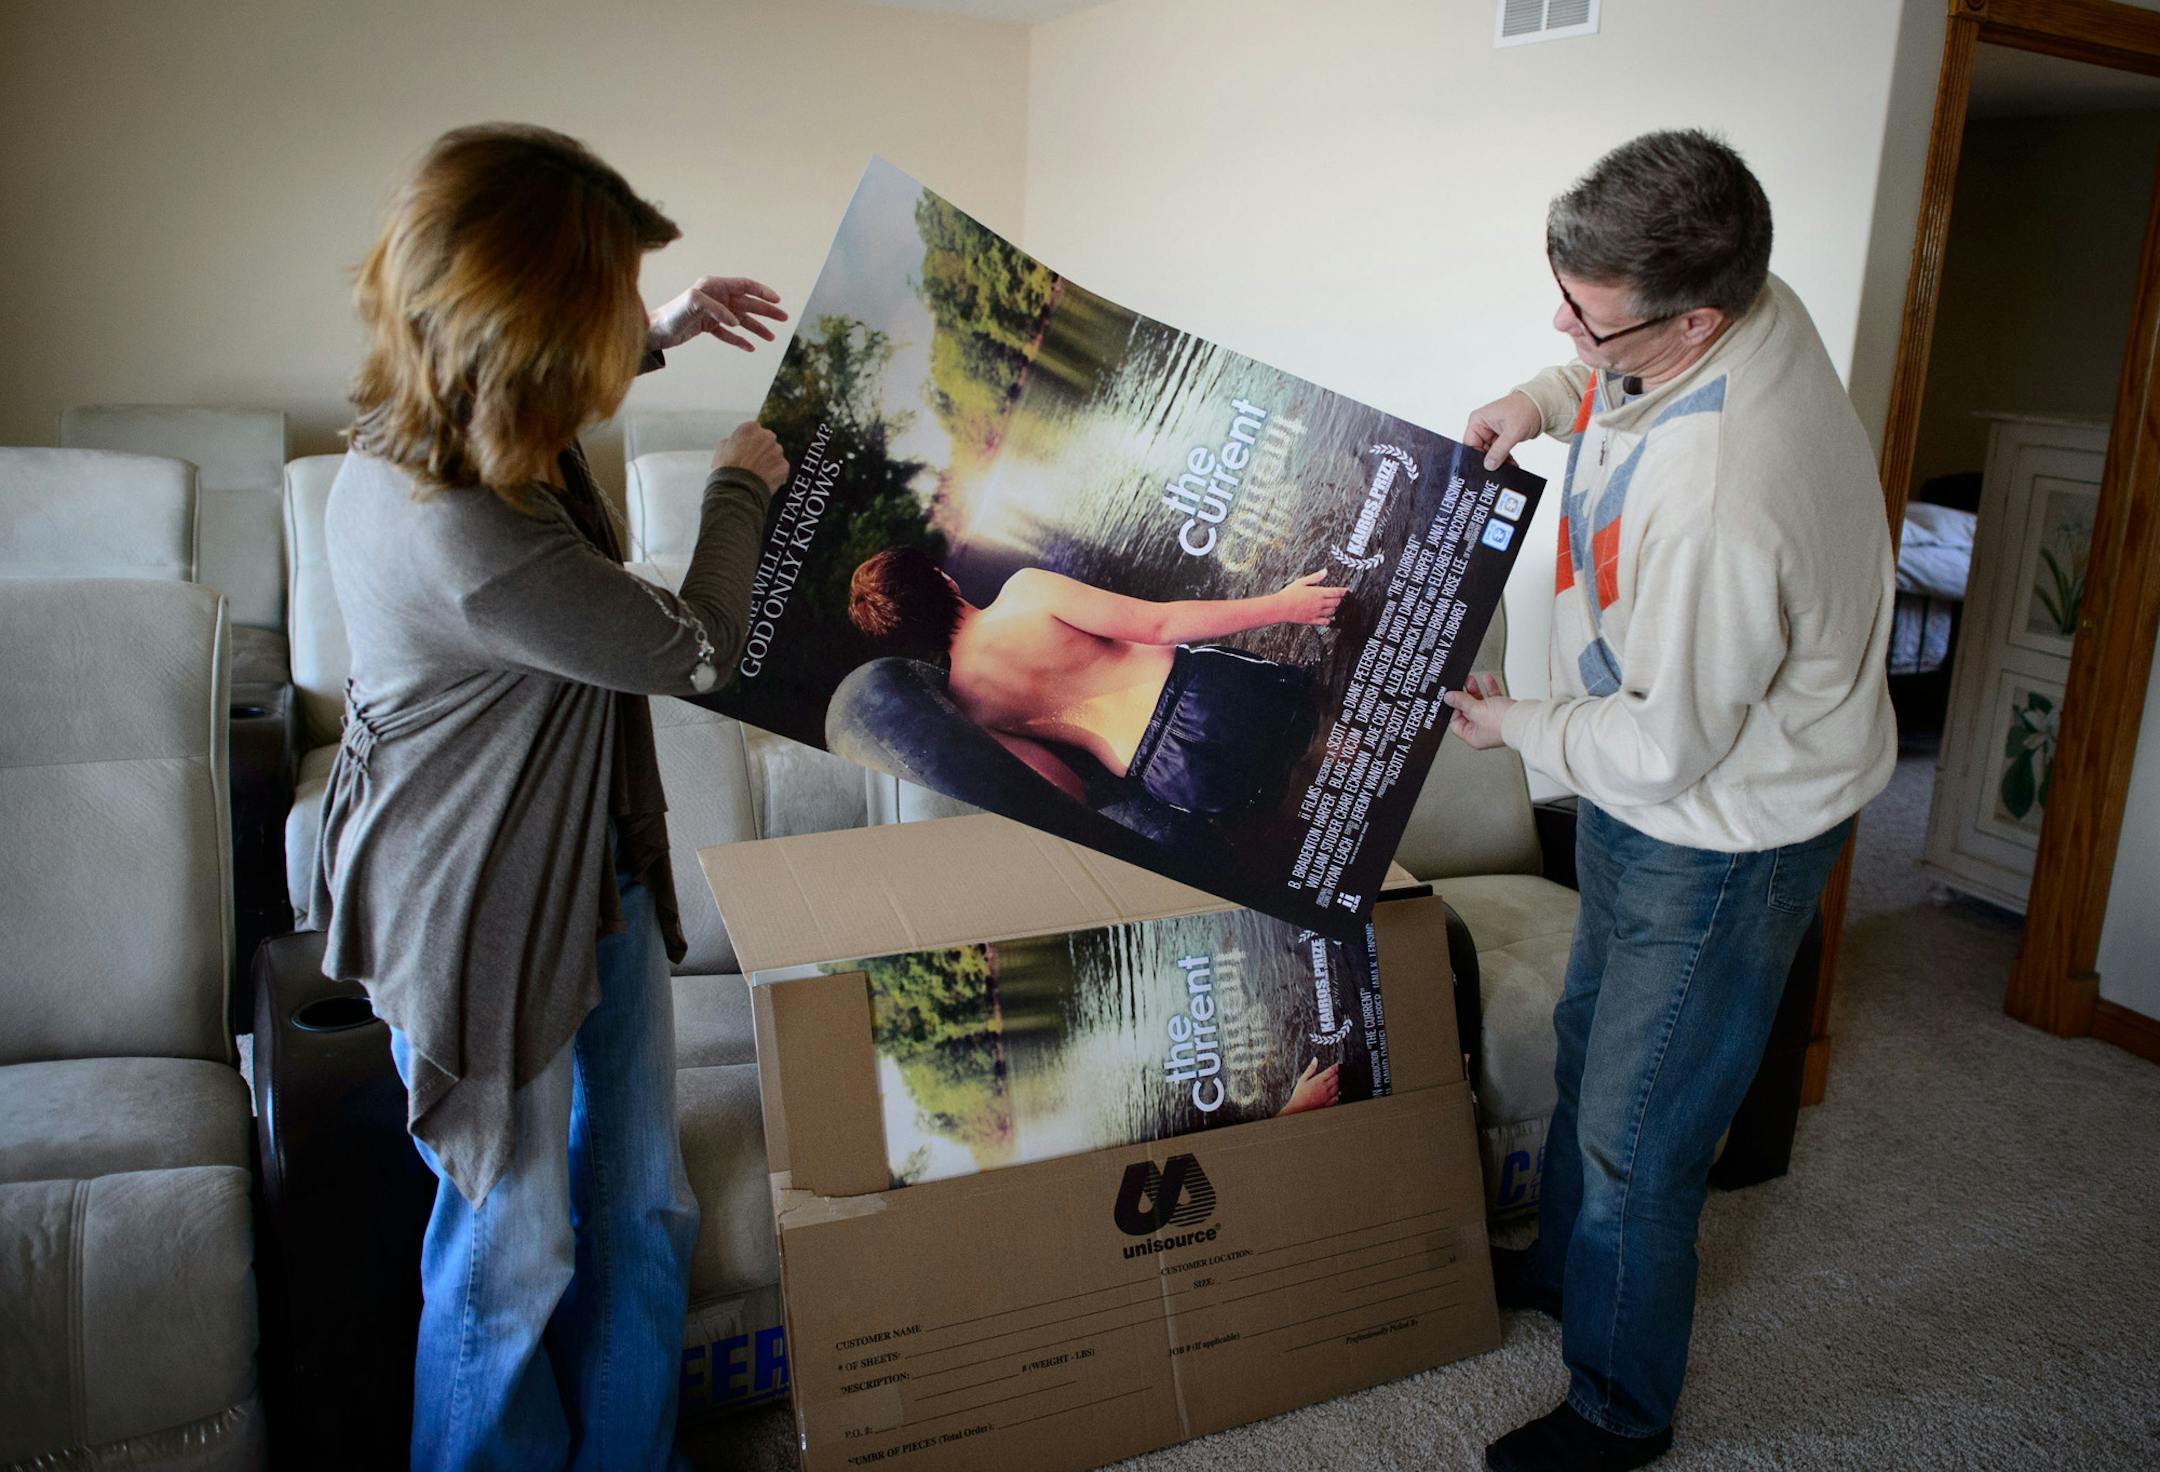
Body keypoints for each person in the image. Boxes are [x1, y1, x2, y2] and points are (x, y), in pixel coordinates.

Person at [305, 123, 790, 1471]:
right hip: (480, 909)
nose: (634, 324)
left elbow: (541, 394)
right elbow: (700, 646)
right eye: (616, 306)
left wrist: (669, 332)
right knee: (508, 1257)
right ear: (529, 333)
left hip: (592, 861)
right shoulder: (463, 536)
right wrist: (740, 489)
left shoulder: (462, 425)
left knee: (640, 1207)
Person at [1442, 130, 1895, 1472]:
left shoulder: (1727, 490)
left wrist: (1510, 724)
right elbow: (1616, 394)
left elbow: (1659, 752)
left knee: (1644, 1132)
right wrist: (1539, 397)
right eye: (1560, 294)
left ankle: (1619, 1408)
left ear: (1694, 317)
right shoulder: (1750, 304)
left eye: (1587, 318)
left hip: (1725, 824)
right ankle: (1575, 1277)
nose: (1566, 326)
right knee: (1593, 1034)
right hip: (1668, 776)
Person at [845, 549, 1344, 815]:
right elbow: (1157, 625)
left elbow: (1065, 787)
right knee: (1343, 745)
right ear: (942, 579)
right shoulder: (1026, 593)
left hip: (1166, 773)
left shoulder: (968, 708)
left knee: (1302, 806)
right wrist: (1283, 607)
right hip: (1202, 695)